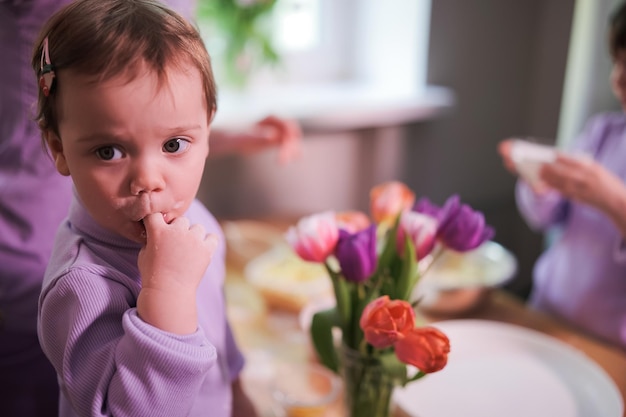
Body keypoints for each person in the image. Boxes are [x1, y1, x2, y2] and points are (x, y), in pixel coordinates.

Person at [0, 0, 299, 415]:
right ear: (59, 150)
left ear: (207, 131)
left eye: (174, 144)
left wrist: (235, 387)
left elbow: (214, 322)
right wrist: (168, 292)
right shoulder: (82, 288)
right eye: (109, 151)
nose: (148, 180)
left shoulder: (192, 217)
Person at [498, 1, 626, 350]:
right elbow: (546, 218)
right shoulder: (604, 132)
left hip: (610, 347)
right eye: (617, 62)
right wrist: (540, 182)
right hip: (546, 310)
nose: (618, 79)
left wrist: (613, 198)